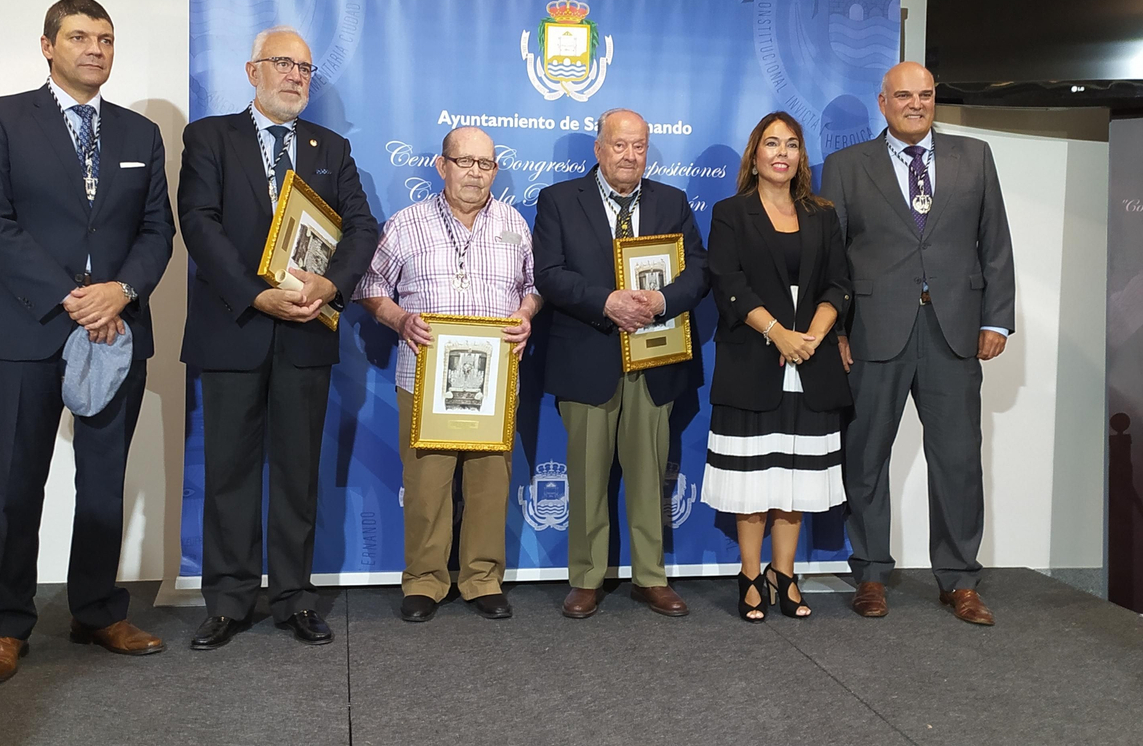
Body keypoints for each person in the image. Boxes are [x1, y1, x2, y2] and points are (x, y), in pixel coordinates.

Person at [0, 0, 174, 683]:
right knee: (19, 482)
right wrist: (72, 296)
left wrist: (123, 290)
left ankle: (96, 610)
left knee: (104, 484)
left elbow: (156, 233)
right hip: (27, 325)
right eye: (80, 37)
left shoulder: (140, 136)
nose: (95, 49)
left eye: (107, 39)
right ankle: (6, 624)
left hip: (117, 330)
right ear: (48, 46)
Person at [178, 26, 378, 648]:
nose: (296, 76)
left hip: (306, 334)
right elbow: (198, 223)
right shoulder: (209, 137)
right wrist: (253, 293)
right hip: (234, 327)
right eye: (283, 64)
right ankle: (230, 600)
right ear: (251, 70)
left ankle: (294, 596)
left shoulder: (331, 147)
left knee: (297, 472)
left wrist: (331, 287)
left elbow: (362, 229)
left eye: (306, 68)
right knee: (230, 474)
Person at [817, 61, 1015, 625]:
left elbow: (995, 240)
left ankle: (959, 580)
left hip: (954, 331)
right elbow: (832, 258)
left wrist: (996, 320)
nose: (916, 104)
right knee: (866, 457)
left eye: (925, 95)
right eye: (904, 96)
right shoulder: (846, 166)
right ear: (882, 102)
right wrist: (837, 330)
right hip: (874, 331)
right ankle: (871, 574)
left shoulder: (974, 156)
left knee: (957, 460)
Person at [353, 127, 541, 623]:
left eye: (485, 164)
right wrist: (399, 319)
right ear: (442, 166)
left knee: (489, 485)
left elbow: (533, 286)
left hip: (496, 380)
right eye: (465, 162)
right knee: (426, 484)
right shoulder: (406, 223)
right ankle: (425, 581)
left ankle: (481, 577)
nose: (475, 173)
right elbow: (370, 286)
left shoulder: (514, 225)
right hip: (424, 375)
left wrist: (526, 314)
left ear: (496, 171)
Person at [531, 108, 710, 619]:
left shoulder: (671, 202)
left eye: (639, 146)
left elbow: (698, 270)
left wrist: (662, 302)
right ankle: (587, 577)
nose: (630, 155)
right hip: (588, 356)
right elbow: (549, 274)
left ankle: (650, 576)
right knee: (586, 476)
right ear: (598, 148)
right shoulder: (559, 200)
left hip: (656, 360)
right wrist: (606, 302)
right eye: (619, 145)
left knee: (649, 474)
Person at [704, 111, 852, 622]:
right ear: (756, 153)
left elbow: (839, 282)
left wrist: (813, 333)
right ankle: (749, 575)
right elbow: (728, 281)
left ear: (800, 155)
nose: (782, 153)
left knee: (795, 478)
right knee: (753, 479)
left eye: (791, 144)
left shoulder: (822, 214)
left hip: (811, 357)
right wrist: (779, 334)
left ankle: (783, 575)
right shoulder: (730, 212)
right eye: (772, 143)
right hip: (754, 356)